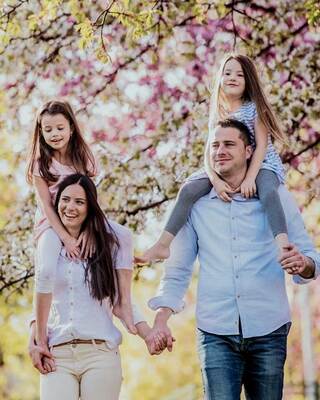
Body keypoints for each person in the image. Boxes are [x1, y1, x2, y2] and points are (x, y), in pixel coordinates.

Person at [148, 119, 320, 400]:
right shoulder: (197, 205)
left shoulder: (276, 196)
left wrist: (305, 264)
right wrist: (161, 319)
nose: (220, 151)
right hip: (216, 330)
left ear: (249, 150)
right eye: (214, 145)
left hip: (269, 327)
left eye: (229, 144)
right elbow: (177, 270)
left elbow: (310, 256)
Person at [136, 54, 289, 264]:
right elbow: (210, 151)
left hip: (260, 163)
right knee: (188, 190)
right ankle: (162, 245)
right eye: (227, 73)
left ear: (249, 80)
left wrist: (250, 178)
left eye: (239, 74)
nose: (232, 78)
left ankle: (283, 244)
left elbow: (262, 145)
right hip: (226, 165)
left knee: (268, 191)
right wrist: (215, 181)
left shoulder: (254, 107)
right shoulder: (218, 111)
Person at [28, 174, 165, 400]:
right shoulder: (48, 245)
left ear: (90, 207)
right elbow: (41, 295)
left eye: (79, 202)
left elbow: (123, 302)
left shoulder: (105, 248)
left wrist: (148, 334)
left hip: (100, 354)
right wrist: (33, 338)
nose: (70, 207)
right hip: (57, 354)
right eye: (65, 199)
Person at [26, 100, 136, 334]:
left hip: (83, 219)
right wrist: (65, 237)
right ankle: (40, 329)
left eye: (59, 127)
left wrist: (90, 229)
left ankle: (124, 303)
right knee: (45, 269)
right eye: (48, 129)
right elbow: (46, 206)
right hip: (51, 224)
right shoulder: (40, 165)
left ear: (71, 128)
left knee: (124, 235)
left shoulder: (83, 158)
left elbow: (90, 199)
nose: (54, 134)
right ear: (41, 132)